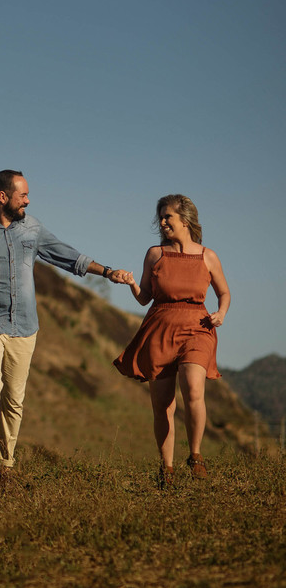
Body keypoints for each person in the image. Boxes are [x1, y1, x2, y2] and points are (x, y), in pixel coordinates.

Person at [0, 170, 132, 489]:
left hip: (24, 327)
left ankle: (5, 464)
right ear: (2, 197)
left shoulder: (32, 229)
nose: (28, 201)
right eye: (23, 196)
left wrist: (108, 272)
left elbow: (66, 255)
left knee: (14, 398)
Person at [112, 194, 230, 484]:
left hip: (198, 327)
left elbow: (224, 293)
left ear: (185, 220)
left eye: (168, 217)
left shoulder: (208, 256)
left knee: (193, 389)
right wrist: (131, 285)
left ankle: (196, 456)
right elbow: (144, 299)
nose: (162, 222)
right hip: (161, 327)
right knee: (163, 404)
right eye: (161, 217)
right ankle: (167, 468)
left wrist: (221, 313)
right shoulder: (155, 254)